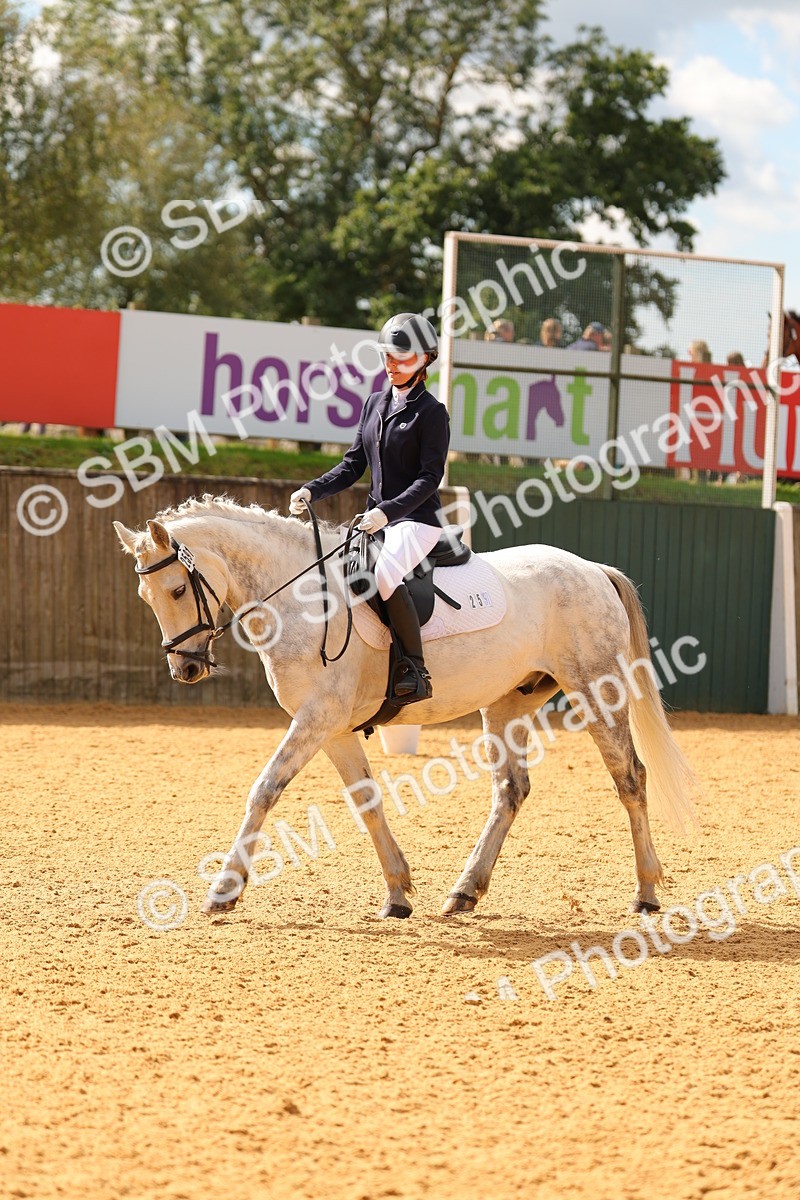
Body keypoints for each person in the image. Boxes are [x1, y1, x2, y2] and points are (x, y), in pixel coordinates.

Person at [289, 313, 449, 705]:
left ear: (425, 359)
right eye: (387, 356)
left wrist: (388, 512)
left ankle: (414, 667)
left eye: (402, 356)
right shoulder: (374, 403)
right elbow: (352, 464)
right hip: (376, 520)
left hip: (416, 520)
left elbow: (430, 478)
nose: (391, 364)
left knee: (383, 576)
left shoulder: (432, 413)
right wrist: (313, 490)